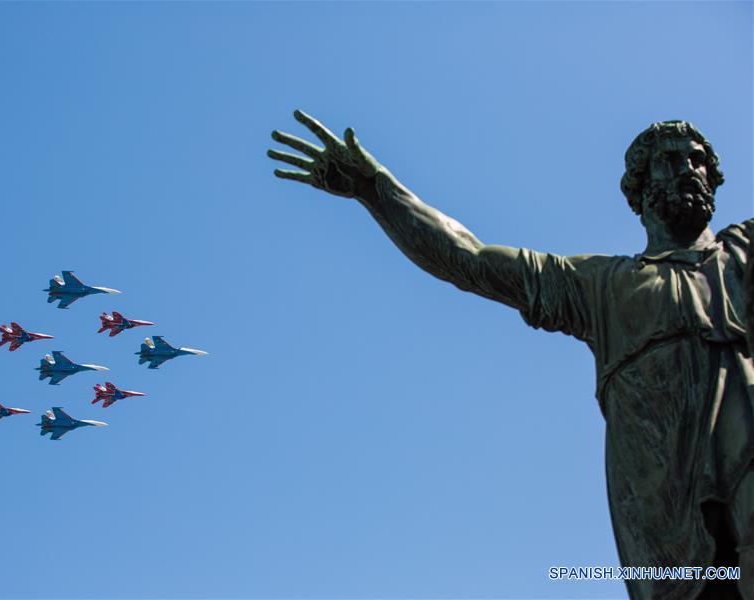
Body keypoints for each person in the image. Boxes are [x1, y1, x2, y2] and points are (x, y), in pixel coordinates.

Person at [269, 111, 754, 599]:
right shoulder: (603, 287)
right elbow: (470, 258)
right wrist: (376, 190)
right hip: (666, 515)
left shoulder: (744, 254)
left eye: (697, 161)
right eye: (670, 161)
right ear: (640, 186)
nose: (688, 169)